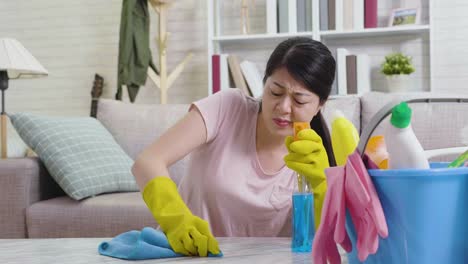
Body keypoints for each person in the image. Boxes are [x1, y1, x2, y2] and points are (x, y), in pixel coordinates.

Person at [131, 37, 337, 257]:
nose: (284, 107)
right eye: (275, 92)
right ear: (264, 84)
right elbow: (148, 162)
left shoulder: (313, 159)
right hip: (185, 255)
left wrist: (323, 187)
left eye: (299, 100)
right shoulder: (228, 108)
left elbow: (324, 246)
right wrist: (176, 219)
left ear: (320, 105)